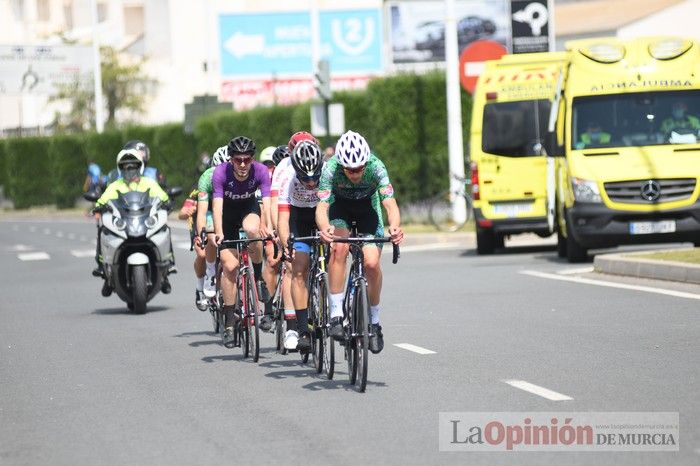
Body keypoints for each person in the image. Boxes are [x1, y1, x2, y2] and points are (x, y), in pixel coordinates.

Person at [315, 130, 404, 354]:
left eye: (359, 169)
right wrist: (325, 227)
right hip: (340, 208)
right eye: (350, 169)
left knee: (372, 263)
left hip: (367, 209)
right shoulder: (331, 168)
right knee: (339, 248)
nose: (355, 174)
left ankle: (374, 323)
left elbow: (390, 203)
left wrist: (394, 226)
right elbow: (322, 206)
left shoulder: (376, 166)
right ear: (341, 164)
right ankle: (336, 314)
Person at [212, 136, 271, 348]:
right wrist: (218, 232)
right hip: (226, 216)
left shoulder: (261, 171)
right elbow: (217, 206)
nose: (243, 164)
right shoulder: (220, 173)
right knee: (230, 266)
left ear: (253, 159)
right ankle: (229, 323)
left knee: (252, 230)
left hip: (249, 209)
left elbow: (267, 201)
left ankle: (257, 277)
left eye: (247, 159)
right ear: (231, 160)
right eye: (238, 160)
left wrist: (270, 227)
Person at [92, 148, 170, 294]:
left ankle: (167, 267)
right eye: (125, 167)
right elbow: (102, 201)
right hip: (124, 224)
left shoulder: (149, 183)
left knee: (165, 228)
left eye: (133, 166)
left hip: (144, 222)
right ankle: (104, 268)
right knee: (102, 230)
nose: (129, 170)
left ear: (139, 167)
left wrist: (167, 203)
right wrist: (97, 208)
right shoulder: (115, 185)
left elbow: (163, 197)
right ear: (120, 169)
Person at [265, 133, 317, 341]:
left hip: (318, 213)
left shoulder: (324, 168)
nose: (311, 182)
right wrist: (279, 234)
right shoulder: (286, 172)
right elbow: (277, 206)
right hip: (294, 216)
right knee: (293, 266)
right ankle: (293, 326)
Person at [277, 140, 324, 351]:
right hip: (299, 219)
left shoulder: (329, 174)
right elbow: (283, 217)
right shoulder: (287, 179)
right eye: (305, 178)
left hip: (323, 213)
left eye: (315, 177)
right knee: (299, 268)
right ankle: (303, 328)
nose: (312, 183)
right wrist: (287, 242)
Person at [194, 146, 230, 303]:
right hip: (209, 210)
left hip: (230, 211)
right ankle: (210, 273)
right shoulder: (206, 178)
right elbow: (201, 212)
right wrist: (203, 232)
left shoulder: (242, 175)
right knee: (211, 235)